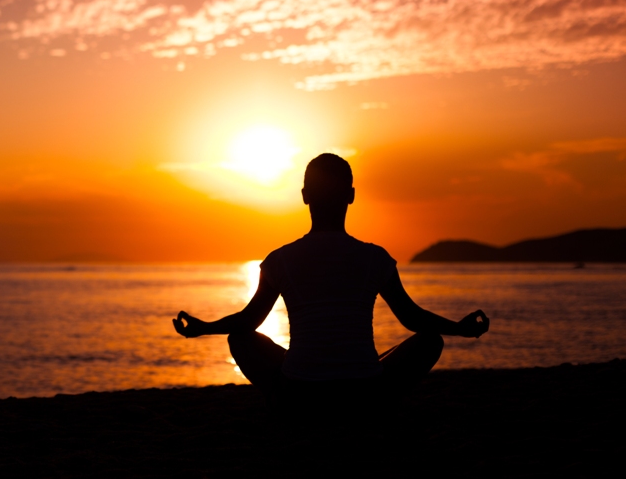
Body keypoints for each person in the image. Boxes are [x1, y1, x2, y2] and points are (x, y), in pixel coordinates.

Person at [172, 153, 489, 416]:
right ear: (350, 196)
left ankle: (280, 401)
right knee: (430, 341)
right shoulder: (375, 258)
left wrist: (203, 328)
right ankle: (381, 402)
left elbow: (247, 321)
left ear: (305, 197)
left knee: (240, 341)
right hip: (365, 392)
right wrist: (460, 328)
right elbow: (412, 318)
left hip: (301, 393)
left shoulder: (280, 260)